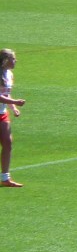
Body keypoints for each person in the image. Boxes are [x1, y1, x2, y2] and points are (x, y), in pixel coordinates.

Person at [0, 49, 27, 187]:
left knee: (8, 143)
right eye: (13, 58)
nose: (16, 61)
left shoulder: (9, 74)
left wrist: (13, 107)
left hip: (2, 113)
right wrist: (15, 102)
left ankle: (5, 178)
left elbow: (6, 94)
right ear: (6, 60)